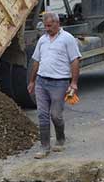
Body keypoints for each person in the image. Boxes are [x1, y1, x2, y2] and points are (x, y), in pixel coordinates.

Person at [27, 13, 81, 158]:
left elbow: (75, 61)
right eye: (45, 26)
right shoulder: (42, 40)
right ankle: (44, 147)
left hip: (59, 82)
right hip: (41, 82)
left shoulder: (67, 39)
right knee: (42, 115)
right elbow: (36, 61)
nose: (47, 29)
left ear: (57, 23)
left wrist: (73, 83)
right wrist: (32, 81)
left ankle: (60, 139)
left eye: (49, 26)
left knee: (55, 115)